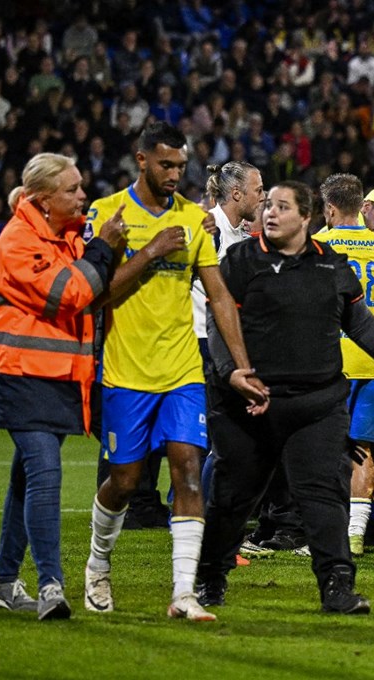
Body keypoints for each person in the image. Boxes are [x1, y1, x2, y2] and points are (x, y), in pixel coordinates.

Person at [196, 181, 374, 614]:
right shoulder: (240, 261)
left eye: (282, 207)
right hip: (251, 404)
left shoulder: (331, 264)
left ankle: (337, 586)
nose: (270, 213)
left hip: (315, 406)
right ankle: (210, 578)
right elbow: (219, 320)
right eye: (268, 205)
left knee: (323, 494)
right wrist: (232, 373)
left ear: (306, 217)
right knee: (232, 497)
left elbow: (360, 322)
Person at [83, 122, 267, 622]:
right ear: (141, 160)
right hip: (126, 369)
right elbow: (95, 296)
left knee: (188, 466)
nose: (174, 174)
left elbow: (220, 296)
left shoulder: (192, 218)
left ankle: (184, 593)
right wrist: (148, 253)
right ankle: (98, 566)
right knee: (124, 481)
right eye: (165, 165)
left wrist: (242, 364)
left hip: (183, 367)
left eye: (181, 166)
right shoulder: (108, 213)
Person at [0, 153, 125, 620]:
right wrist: (103, 249)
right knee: (44, 472)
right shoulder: (19, 240)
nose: (82, 195)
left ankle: (3, 581)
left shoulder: (64, 235)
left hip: (58, 376)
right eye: (72, 189)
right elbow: (70, 295)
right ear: (43, 200)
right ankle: (51, 585)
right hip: (20, 373)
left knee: (26, 479)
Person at [311, 175, 374, 557]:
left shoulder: (321, 243)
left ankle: (321, 534)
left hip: (330, 360)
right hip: (370, 361)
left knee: (321, 448)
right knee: (362, 449)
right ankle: (356, 535)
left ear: (330, 209)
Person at [194, 161, 267, 557]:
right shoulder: (209, 229)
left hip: (226, 344)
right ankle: (215, 538)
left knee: (228, 445)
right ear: (236, 193)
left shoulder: (235, 233)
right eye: (258, 189)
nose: (263, 196)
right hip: (209, 346)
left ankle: (216, 533)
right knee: (226, 447)